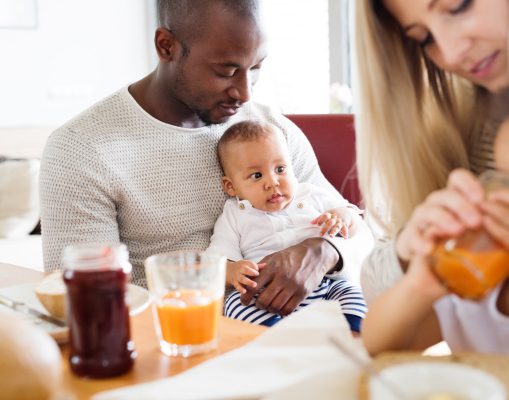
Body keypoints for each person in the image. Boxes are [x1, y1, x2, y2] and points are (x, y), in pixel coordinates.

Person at [39, 0, 373, 319]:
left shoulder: (270, 131)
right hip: (176, 346)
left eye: (255, 67)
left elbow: (362, 237)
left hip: (307, 327)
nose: (245, 93)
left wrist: (322, 251)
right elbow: (83, 304)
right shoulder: (80, 150)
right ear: (166, 46)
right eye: (226, 71)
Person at [355, 0, 509, 363]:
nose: (451, 54)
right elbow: (381, 341)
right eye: (423, 39)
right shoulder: (483, 281)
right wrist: (416, 271)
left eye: (457, 6)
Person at [206, 120, 367, 332]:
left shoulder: (310, 194)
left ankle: (356, 342)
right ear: (231, 186)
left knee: (355, 295)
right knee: (236, 306)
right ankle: (278, 346)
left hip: (325, 285)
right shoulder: (234, 214)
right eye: (257, 175)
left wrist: (343, 216)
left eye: (280, 169)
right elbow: (214, 263)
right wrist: (233, 270)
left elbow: (355, 220)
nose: (273, 182)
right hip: (264, 295)